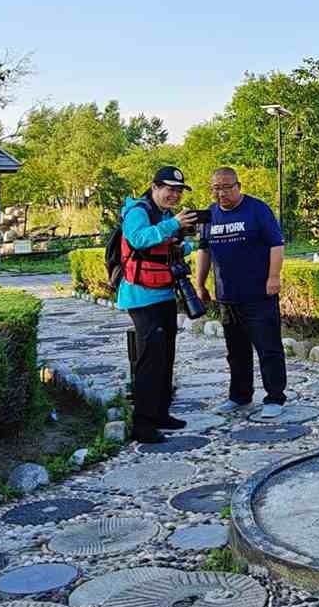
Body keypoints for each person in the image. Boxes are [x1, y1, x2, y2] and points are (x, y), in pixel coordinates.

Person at [113, 166, 202, 443]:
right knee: (150, 359)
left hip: (164, 292)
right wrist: (174, 223)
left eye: (178, 191)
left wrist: (188, 243)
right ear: (154, 187)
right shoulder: (138, 211)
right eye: (169, 189)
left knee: (165, 356)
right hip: (141, 296)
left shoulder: (164, 215)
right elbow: (138, 239)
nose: (174, 195)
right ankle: (142, 424)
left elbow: (164, 249)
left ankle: (161, 413)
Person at [192, 167, 289, 419]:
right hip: (227, 296)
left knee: (268, 348)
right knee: (236, 352)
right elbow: (204, 250)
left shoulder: (257, 209)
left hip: (259, 294)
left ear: (238, 186)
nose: (221, 193)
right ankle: (239, 396)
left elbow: (276, 244)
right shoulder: (210, 214)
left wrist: (273, 277)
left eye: (227, 187)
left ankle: (275, 397)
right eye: (216, 188)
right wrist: (200, 284)